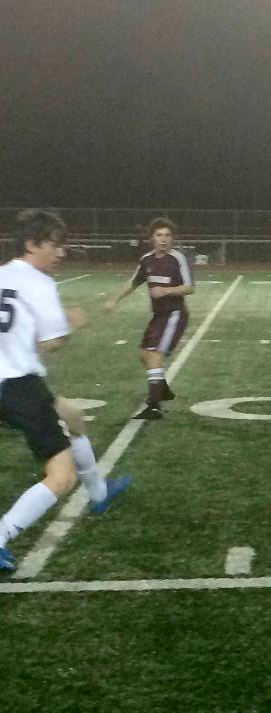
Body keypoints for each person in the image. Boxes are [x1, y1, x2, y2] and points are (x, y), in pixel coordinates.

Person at [0, 210, 131, 572]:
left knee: (72, 416)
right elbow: (53, 342)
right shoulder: (39, 284)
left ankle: (100, 494)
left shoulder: (1, 274)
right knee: (61, 476)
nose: (61, 253)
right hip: (17, 385)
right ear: (31, 244)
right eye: (55, 245)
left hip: (12, 381)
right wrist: (72, 323)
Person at [105, 217, 194, 420]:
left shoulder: (177, 258)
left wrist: (166, 290)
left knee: (154, 356)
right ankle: (162, 389)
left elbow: (189, 287)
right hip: (158, 316)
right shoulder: (147, 260)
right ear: (151, 238)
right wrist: (114, 300)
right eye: (159, 235)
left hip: (175, 314)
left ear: (173, 239)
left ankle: (154, 406)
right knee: (144, 355)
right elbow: (134, 282)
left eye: (167, 235)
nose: (163, 239)